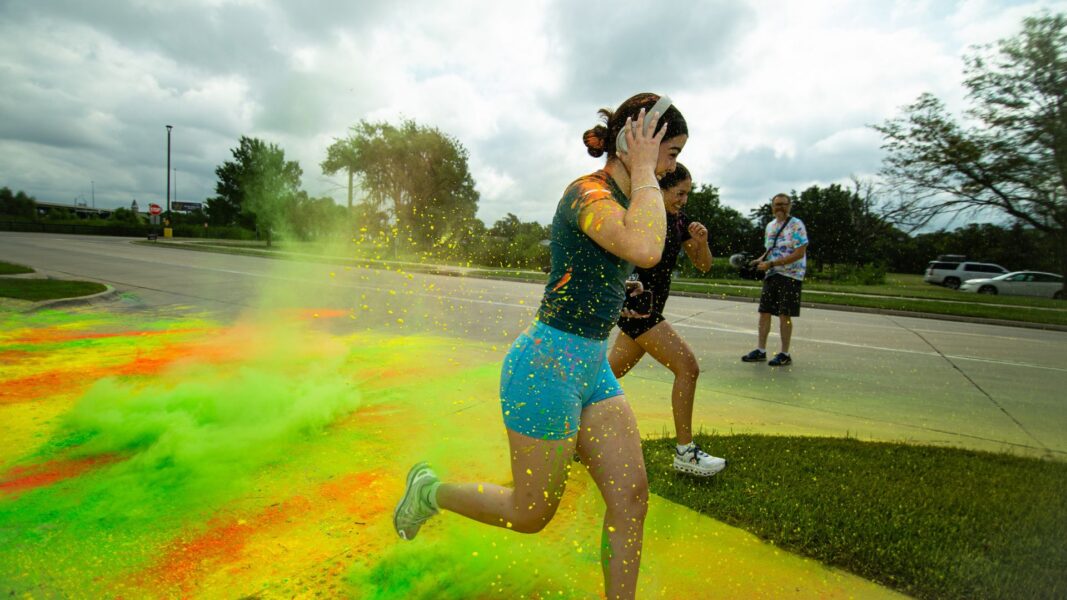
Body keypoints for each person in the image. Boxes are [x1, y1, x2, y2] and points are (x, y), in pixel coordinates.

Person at [393, 93, 688, 600]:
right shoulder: (587, 193)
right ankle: (428, 491)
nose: (671, 165)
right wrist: (644, 171)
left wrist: (621, 287)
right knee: (530, 514)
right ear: (633, 142)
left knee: (631, 498)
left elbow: (624, 256)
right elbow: (644, 247)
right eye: (670, 151)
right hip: (545, 367)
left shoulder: (627, 199)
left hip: (592, 366)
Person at [608, 163, 725, 477]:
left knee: (604, 378)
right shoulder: (641, 214)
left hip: (645, 311)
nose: (684, 200)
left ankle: (567, 431)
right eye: (679, 193)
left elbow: (703, 266)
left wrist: (701, 243)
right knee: (688, 367)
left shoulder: (680, 221)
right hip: (638, 309)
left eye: (687, 194)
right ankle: (685, 452)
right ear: (659, 188)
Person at [741, 193, 809, 366]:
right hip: (772, 274)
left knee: (784, 314)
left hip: (790, 275)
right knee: (764, 312)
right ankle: (761, 350)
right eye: (776, 205)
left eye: (783, 204)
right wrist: (760, 260)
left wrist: (772, 263)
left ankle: (784, 353)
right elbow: (769, 249)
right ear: (772, 207)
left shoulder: (796, 225)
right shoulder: (771, 226)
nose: (779, 208)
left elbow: (799, 253)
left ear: (790, 205)